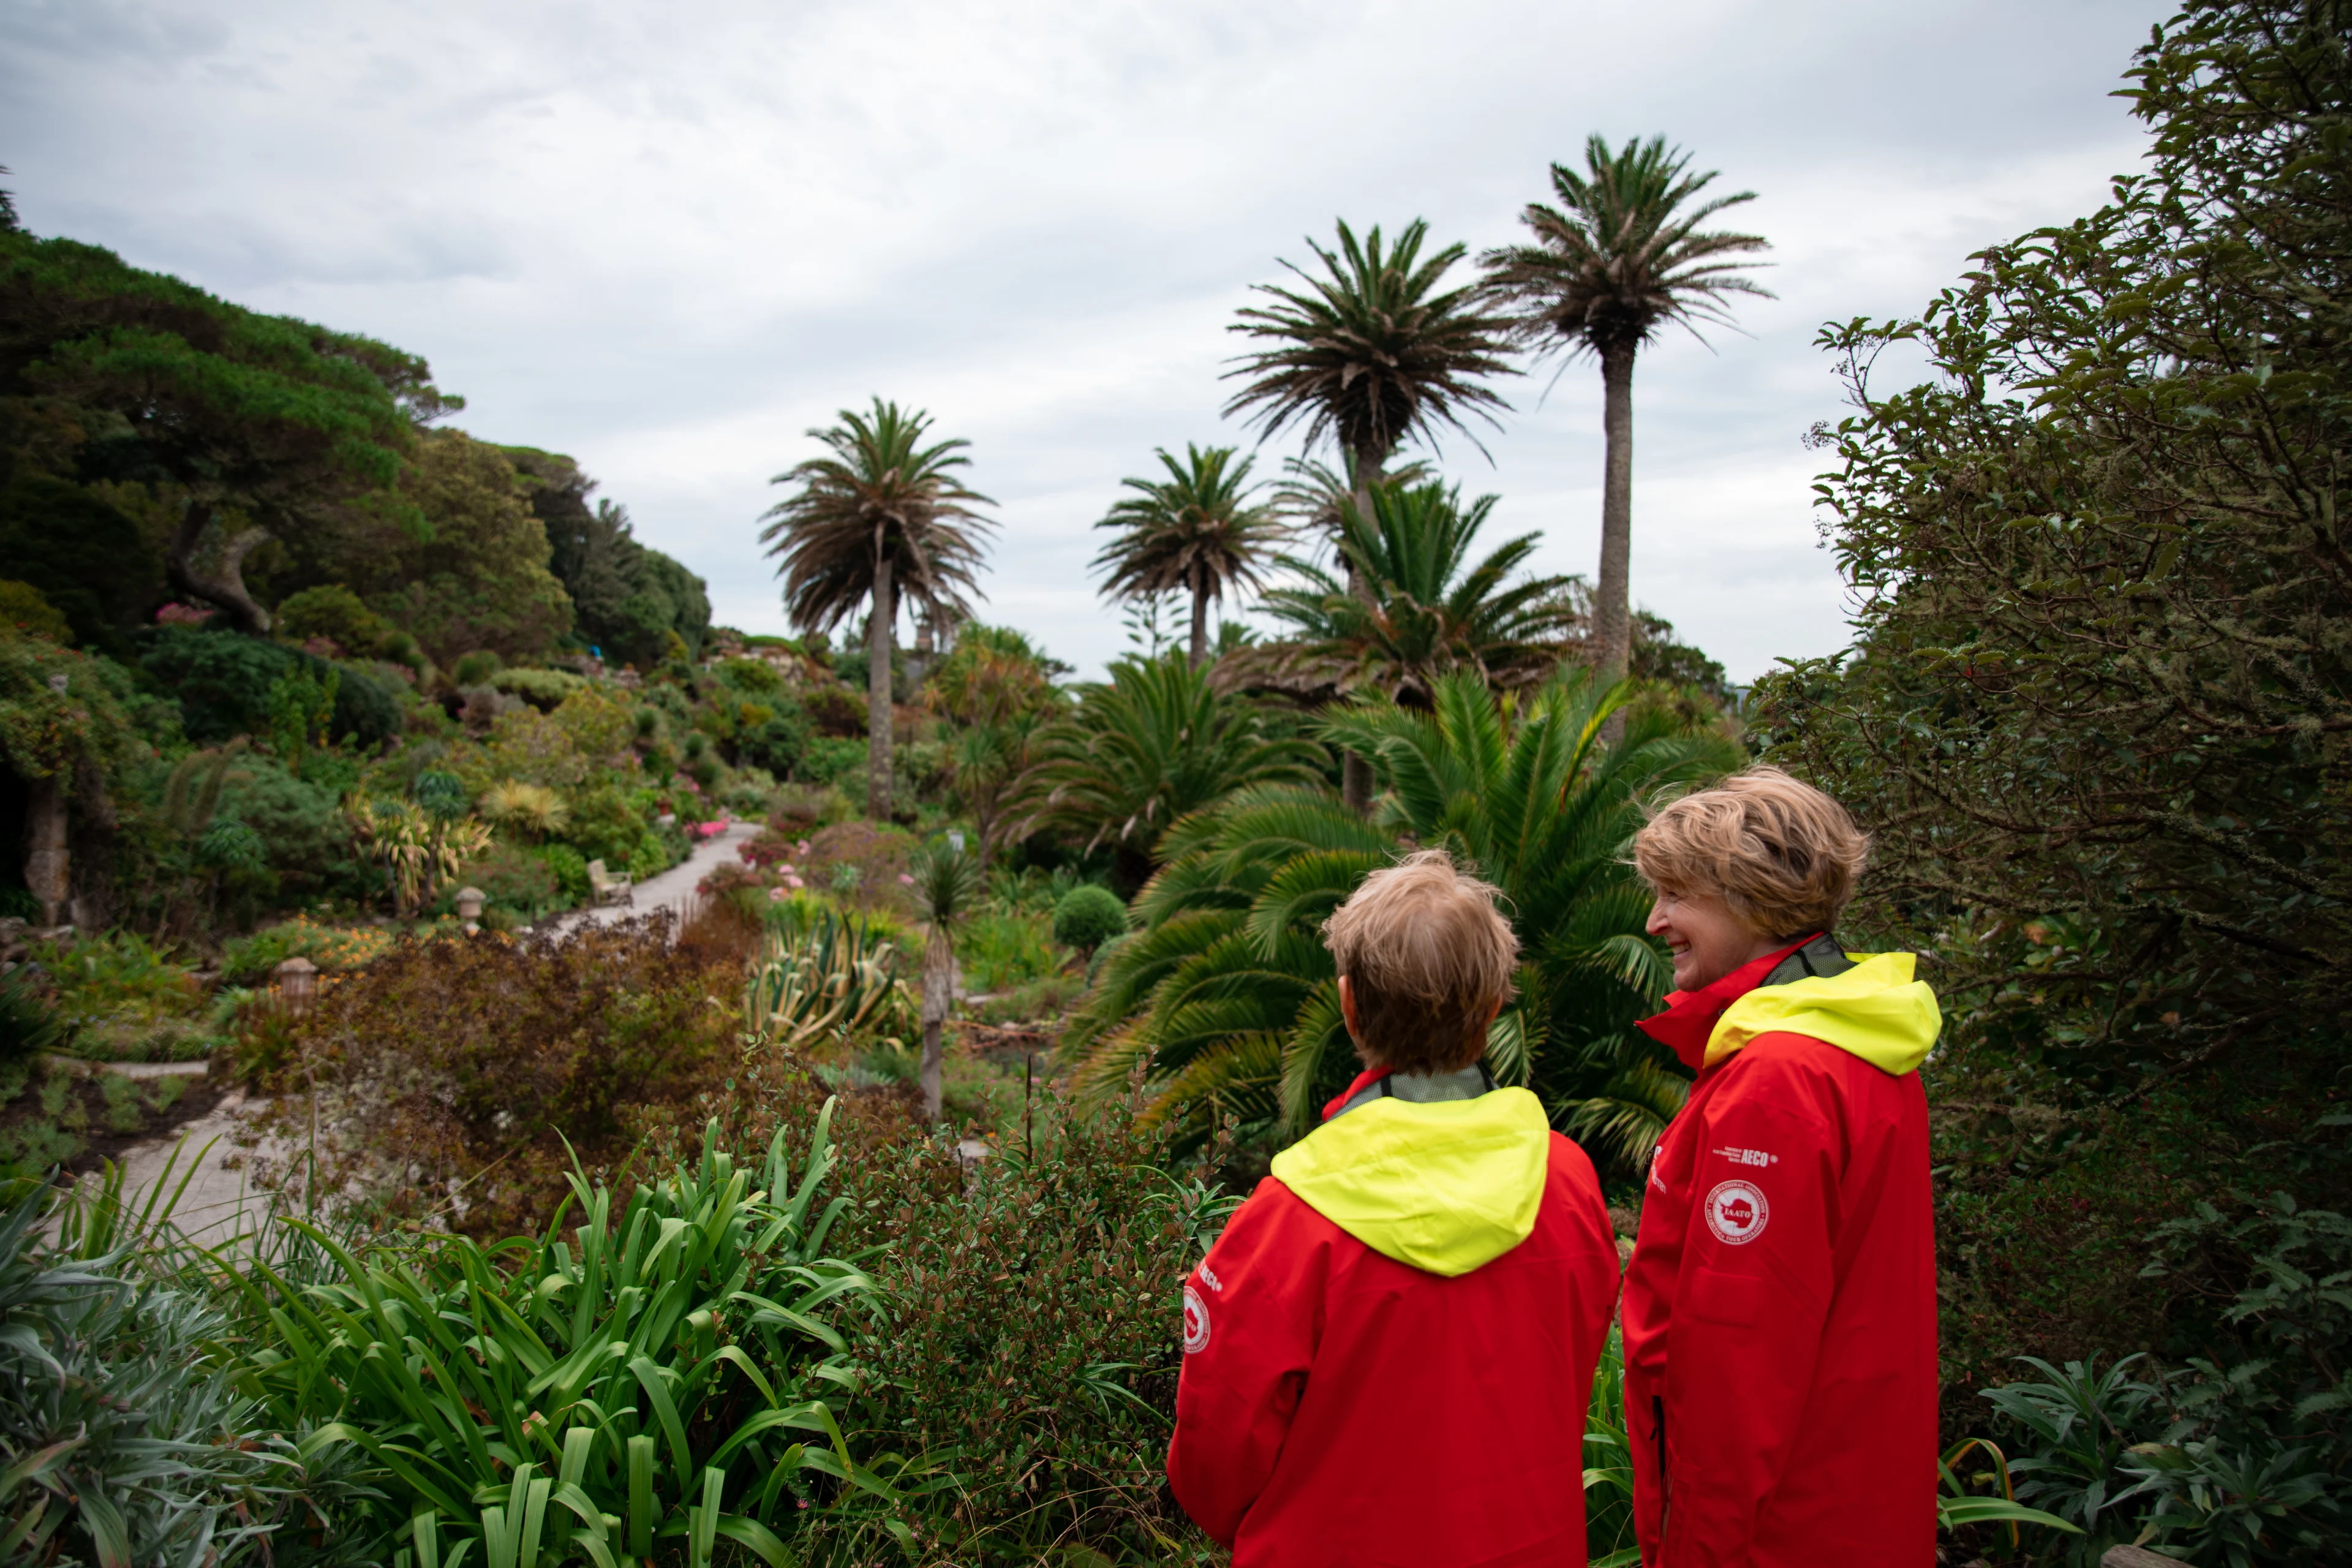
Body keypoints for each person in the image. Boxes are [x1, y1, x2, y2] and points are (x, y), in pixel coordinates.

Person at [1167, 850, 1622, 1567]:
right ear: (1495, 1006)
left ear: (1348, 1005)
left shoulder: (1289, 1217)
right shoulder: (1566, 1181)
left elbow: (1215, 1457)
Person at [1620, 767, 1940, 1566]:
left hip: (1775, 1534)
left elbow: (1734, 1372)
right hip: (1848, 1508)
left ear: (1748, 896)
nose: (1656, 921)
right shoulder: (1859, 1047)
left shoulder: (1777, 1085)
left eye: (1675, 894)